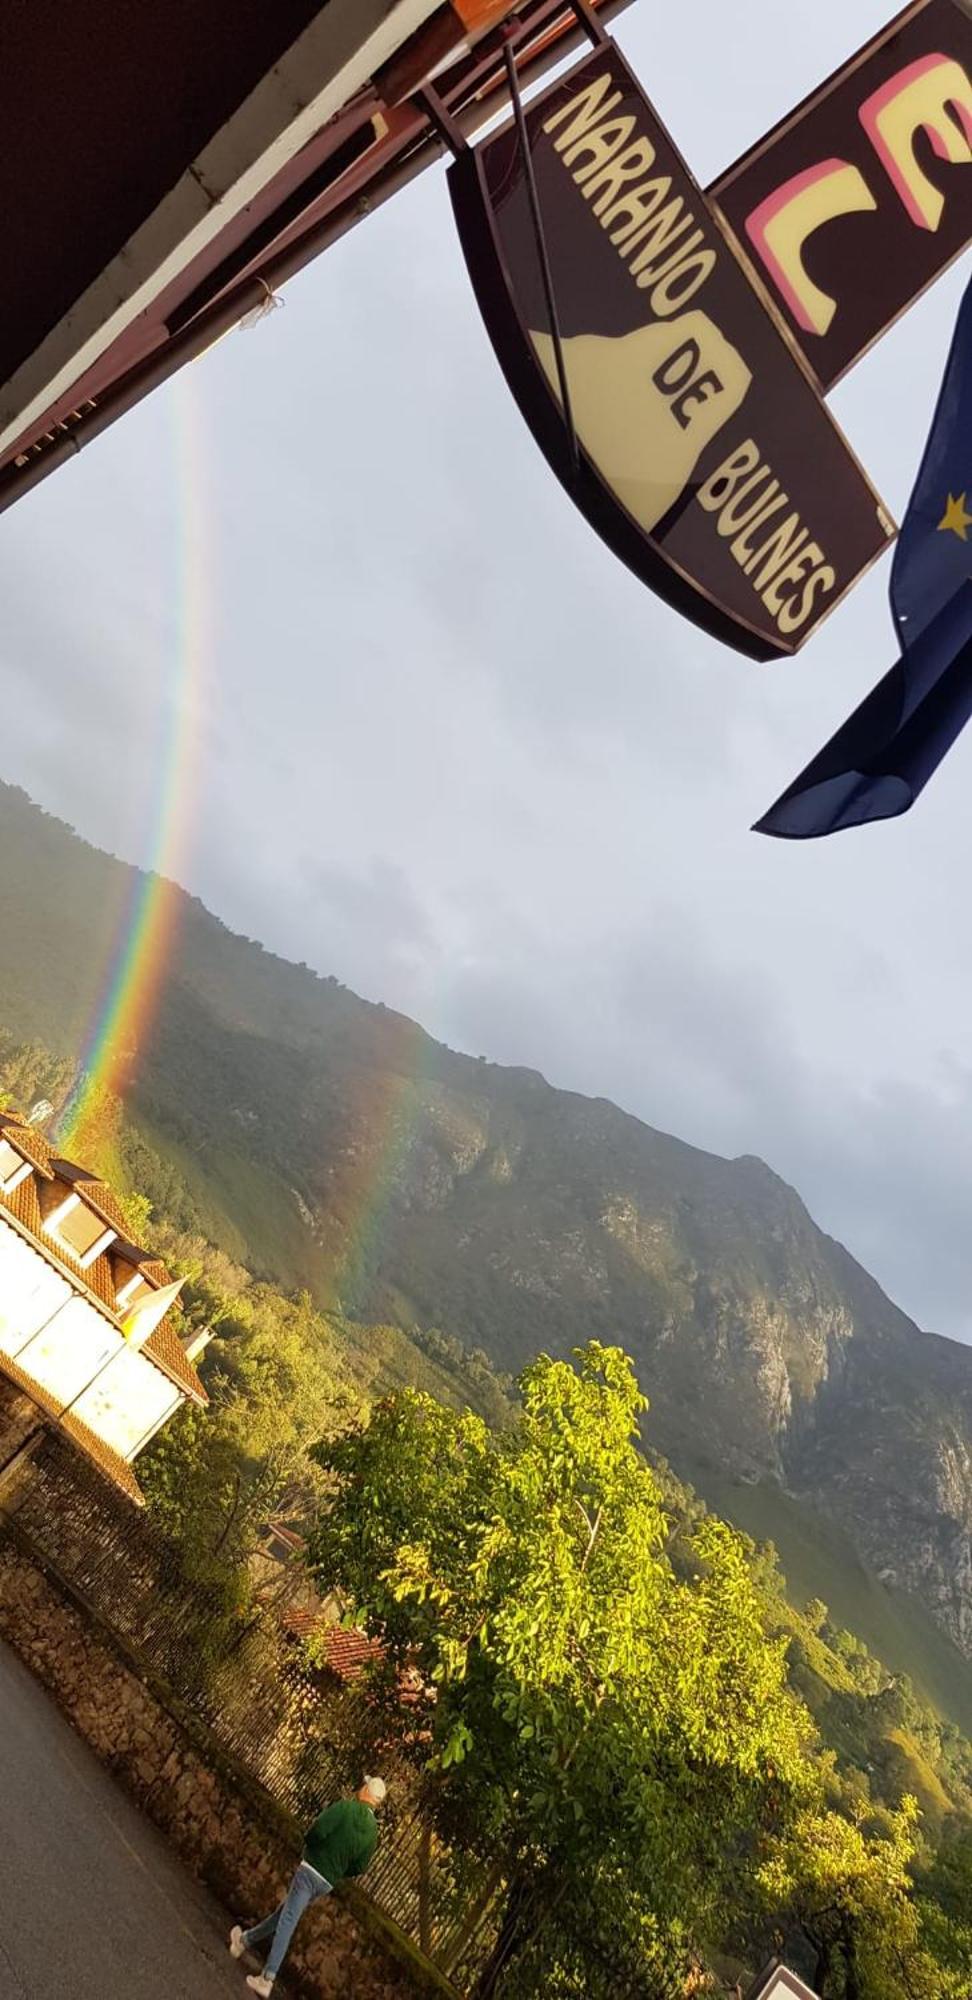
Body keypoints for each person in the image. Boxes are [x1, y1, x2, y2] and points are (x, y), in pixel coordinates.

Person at [229, 1776, 386, 1994]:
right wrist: (338, 1871)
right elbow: (360, 1867)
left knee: (288, 1920)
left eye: (363, 1786)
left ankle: (267, 1978)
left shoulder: (345, 1808)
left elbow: (318, 1830)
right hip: (327, 1881)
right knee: (284, 1913)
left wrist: (311, 1849)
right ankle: (244, 1941)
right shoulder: (372, 1833)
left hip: (311, 1869)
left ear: (365, 1791)